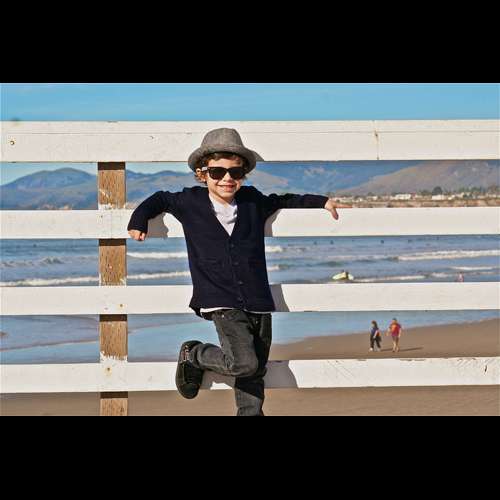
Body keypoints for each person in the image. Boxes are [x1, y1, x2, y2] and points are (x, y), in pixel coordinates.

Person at [127, 128, 352, 416]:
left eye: (236, 172)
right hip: (219, 297)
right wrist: (139, 219)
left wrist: (321, 201)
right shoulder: (189, 201)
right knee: (243, 363)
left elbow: (283, 200)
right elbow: (160, 199)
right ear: (202, 173)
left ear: (244, 173)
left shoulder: (252, 200)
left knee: (255, 368)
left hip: (257, 297)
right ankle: (194, 354)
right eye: (217, 172)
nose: (227, 179)